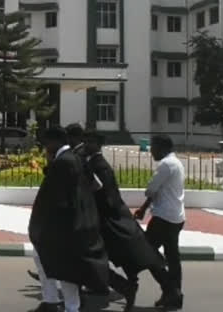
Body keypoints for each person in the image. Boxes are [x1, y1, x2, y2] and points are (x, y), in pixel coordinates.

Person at [84, 132, 176, 311]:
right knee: (136, 257)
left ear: (99, 143)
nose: (87, 144)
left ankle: (140, 288)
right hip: (114, 220)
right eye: (86, 141)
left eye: (91, 141)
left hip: (111, 221)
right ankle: (125, 287)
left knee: (139, 256)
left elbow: (104, 195)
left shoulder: (98, 166)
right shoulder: (93, 163)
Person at [28, 126, 109, 312]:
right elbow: (95, 185)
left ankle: (67, 306)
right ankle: (52, 301)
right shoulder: (76, 159)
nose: (45, 147)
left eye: (47, 143)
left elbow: (55, 199)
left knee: (64, 270)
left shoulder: (63, 163)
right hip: (77, 223)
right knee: (51, 263)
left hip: (63, 227)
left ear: (55, 141)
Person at [134, 134, 186, 310]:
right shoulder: (177, 162)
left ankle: (170, 290)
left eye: (154, 147)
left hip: (163, 218)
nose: (151, 151)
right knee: (173, 258)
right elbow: (156, 192)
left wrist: (143, 207)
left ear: (163, 147)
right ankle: (174, 295)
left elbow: (151, 189)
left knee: (147, 254)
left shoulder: (165, 165)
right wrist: (143, 209)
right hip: (177, 217)